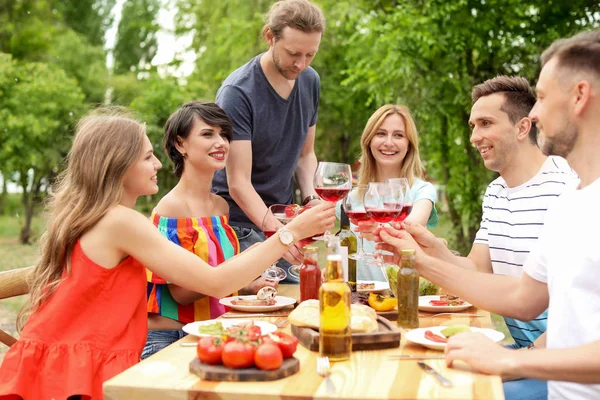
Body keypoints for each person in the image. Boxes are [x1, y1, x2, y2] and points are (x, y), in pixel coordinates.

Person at [0, 109, 335, 399]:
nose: (158, 163)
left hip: (62, 364)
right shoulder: (120, 222)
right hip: (76, 372)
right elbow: (215, 282)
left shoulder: (95, 215)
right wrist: (292, 231)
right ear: (117, 163)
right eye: (147, 156)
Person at [377, 30, 600, 400]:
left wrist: (513, 362)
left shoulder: (564, 191)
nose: (536, 111)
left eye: (542, 98)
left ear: (580, 96)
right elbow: (522, 297)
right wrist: (418, 259)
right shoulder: (569, 204)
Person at [142, 102, 276, 360]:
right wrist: (253, 257)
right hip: (172, 340)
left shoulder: (221, 206)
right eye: (208, 134)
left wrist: (249, 285)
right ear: (180, 144)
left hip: (212, 333)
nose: (221, 142)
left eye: (224, 134)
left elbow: (219, 279)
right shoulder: (171, 209)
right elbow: (182, 293)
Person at [211, 0, 325, 282]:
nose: (301, 64)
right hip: (239, 226)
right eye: (293, 53)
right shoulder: (238, 92)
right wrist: (283, 235)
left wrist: (310, 198)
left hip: (283, 219)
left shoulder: (310, 81)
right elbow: (238, 183)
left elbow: (305, 155)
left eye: (311, 54)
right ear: (270, 37)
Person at [351, 104, 438, 282]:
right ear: (369, 141)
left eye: (398, 135)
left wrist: (380, 230)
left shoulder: (421, 191)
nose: (389, 142)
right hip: (359, 298)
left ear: (409, 145)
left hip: (405, 294)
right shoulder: (353, 195)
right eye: (381, 133)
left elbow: (410, 229)